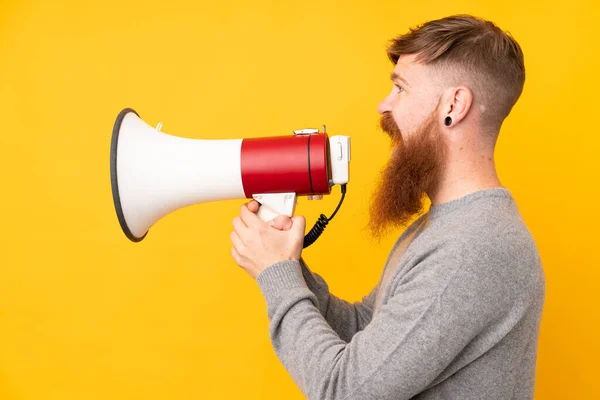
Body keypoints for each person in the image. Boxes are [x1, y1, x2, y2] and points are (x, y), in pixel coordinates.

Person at [229, 14, 545, 400]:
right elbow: (366, 329)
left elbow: (343, 391)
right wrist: (287, 265)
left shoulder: (473, 247)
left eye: (401, 88)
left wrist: (275, 274)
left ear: (454, 105)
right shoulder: (446, 227)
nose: (384, 105)